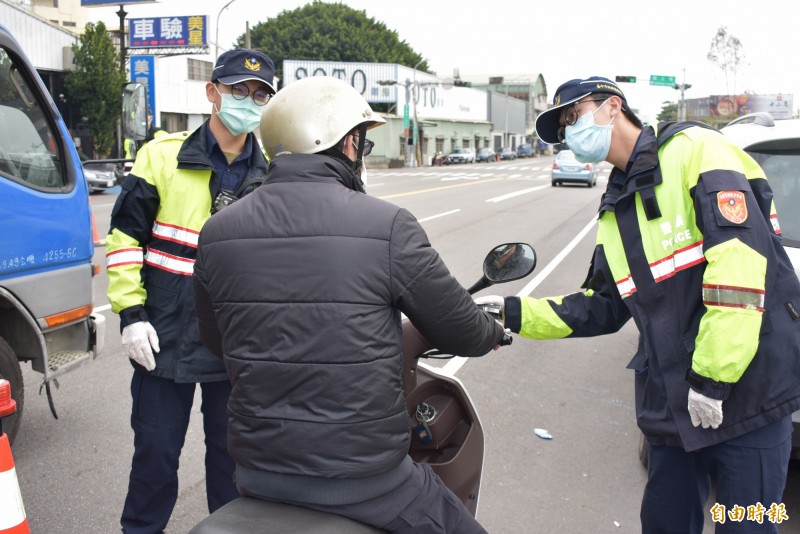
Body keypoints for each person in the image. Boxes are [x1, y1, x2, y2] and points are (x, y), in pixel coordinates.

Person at [477, 76, 800, 533]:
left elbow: (739, 266)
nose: (571, 131)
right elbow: (602, 307)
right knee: (665, 523)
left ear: (613, 106)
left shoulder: (696, 150)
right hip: (674, 406)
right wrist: (511, 312)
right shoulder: (615, 211)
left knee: (748, 526)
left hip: (750, 397)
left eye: (575, 115)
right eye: (563, 126)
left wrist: (712, 379)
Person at [192, 75, 506, 534]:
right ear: (348, 144)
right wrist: (492, 332)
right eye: (362, 141)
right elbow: (463, 331)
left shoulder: (218, 231)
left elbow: (216, 340)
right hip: (368, 482)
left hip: (259, 473)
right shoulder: (387, 225)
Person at [105, 47, 276, 533]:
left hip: (237, 345)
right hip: (165, 339)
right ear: (212, 93)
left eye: (260, 94)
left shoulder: (272, 175)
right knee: (155, 458)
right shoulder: (161, 157)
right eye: (239, 90)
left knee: (233, 465)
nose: (249, 100)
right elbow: (124, 241)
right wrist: (131, 315)